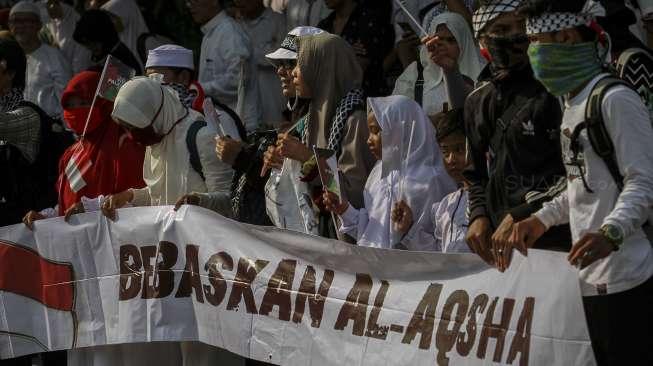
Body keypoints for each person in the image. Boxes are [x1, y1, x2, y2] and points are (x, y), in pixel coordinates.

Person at [509, 1, 653, 364]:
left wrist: (611, 233)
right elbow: (582, 184)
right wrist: (540, 219)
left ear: (566, 37)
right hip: (587, 282)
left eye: (536, 42)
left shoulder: (615, 99)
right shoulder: (572, 102)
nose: (532, 53)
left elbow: (644, 181)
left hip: (629, 279)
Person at [68, 76, 241, 366]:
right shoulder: (157, 139)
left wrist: (199, 202)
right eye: (130, 129)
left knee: (207, 351)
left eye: (138, 128)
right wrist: (129, 197)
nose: (135, 136)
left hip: (210, 267)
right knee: (180, 346)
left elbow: (231, 200)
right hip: (175, 268)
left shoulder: (200, 136)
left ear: (156, 114)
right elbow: (158, 192)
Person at [441, 0, 572, 272]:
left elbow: (576, 172)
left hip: (559, 239)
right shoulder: (477, 99)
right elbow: (475, 173)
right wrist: (478, 216)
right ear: (483, 42)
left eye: (521, 26)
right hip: (505, 250)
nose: (515, 36)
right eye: (502, 29)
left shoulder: (556, 89)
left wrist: (522, 214)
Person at [323, 95, 455, 249]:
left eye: (376, 131)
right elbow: (371, 233)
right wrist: (344, 209)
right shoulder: (379, 174)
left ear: (400, 130)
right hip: (375, 268)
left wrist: (410, 230)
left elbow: (442, 247)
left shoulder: (432, 181)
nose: (368, 140)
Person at [270, 33, 375, 221]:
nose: (292, 72)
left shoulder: (355, 119)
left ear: (323, 68)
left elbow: (354, 194)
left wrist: (307, 158)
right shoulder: (314, 116)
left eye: (300, 64)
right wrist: (285, 162)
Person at [21, 70, 145, 229]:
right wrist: (45, 218)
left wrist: (92, 207)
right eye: (70, 105)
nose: (75, 111)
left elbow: (138, 202)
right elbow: (66, 205)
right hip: (78, 246)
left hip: (115, 244)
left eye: (83, 104)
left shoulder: (126, 144)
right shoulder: (71, 153)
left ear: (103, 104)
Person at [393, 108, 473, 252]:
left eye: (459, 150)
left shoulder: (493, 200)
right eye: (445, 152)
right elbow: (438, 254)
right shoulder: (445, 206)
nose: (451, 159)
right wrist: (409, 228)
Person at [188, 0, 261, 132]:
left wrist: (199, 89)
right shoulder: (211, 33)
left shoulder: (230, 32)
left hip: (242, 127)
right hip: (223, 125)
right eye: (188, 1)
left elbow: (238, 79)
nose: (190, 5)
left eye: (195, 0)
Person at [394, 11, 484, 116]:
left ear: (463, 42)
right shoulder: (414, 74)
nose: (443, 46)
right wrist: (429, 123)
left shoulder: (483, 74)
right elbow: (395, 117)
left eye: (450, 40)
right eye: (439, 40)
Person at [9, 1, 71, 119]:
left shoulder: (55, 58)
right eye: (16, 21)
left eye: (27, 20)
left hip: (48, 129)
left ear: (39, 25)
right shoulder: (6, 57)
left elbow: (66, 101)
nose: (21, 26)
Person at [318, 0, 394, 97]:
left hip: (365, 102)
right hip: (329, 100)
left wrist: (328, 58)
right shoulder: (324, 25)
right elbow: (314, 68)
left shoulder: (368, 20)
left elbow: (357, 71)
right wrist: (346, 54)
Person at [235, 0, 287, 126]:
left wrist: (249, 53)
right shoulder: (235, 26)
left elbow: (282, 55)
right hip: (245, 102)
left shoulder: (278, 21)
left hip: (272, 100)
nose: (239, 2)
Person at [73, 9, 143, 74]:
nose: (89, 48)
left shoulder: (120, 61)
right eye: (87, 45)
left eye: (92, 43)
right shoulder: (105, 56)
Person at [144, 44, 207, 113]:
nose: (151, 83)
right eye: (149, 78)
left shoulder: (206, 115)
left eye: (156, 76)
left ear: (183, 77)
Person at [87, 0, 150, 68]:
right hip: (130, 64)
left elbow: (117, 27)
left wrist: (95, 12)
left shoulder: (119, 3)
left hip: (134, 63)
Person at [38, 0, 92, 74]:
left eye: (56, 2)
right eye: (48, 3)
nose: (51, 7)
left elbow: (81, 60)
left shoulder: (76, 24)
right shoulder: (51, 25)